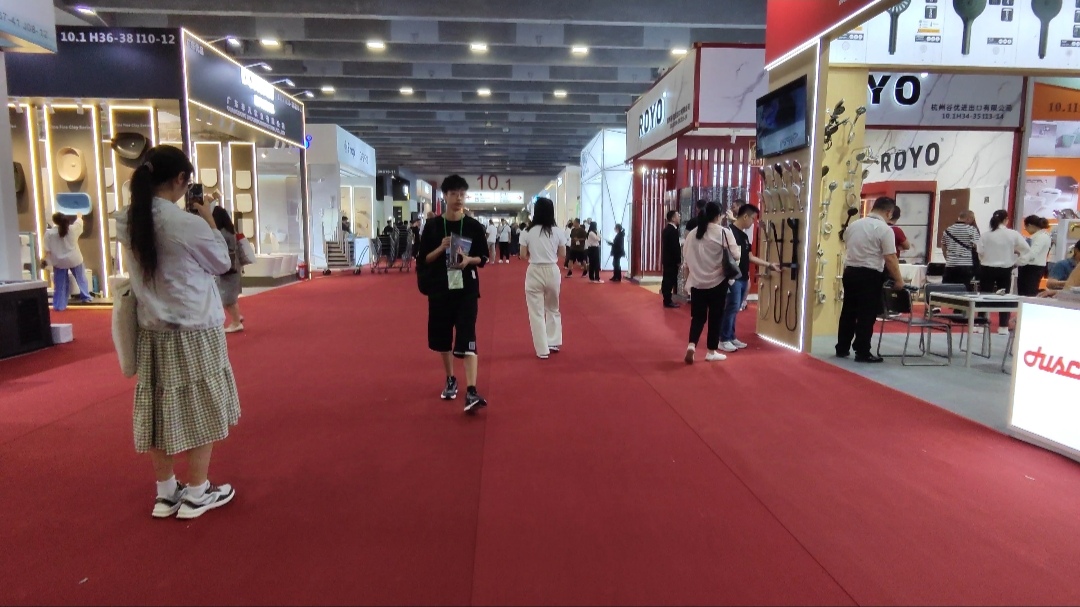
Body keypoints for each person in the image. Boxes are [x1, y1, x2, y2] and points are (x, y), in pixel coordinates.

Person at [113, 145, 240, 520]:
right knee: (202, 404)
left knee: (158, 407)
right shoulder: (184, 223)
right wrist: (210, 219)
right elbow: (221, 262)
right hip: (193, 326)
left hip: (152, 328)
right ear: (181, 179)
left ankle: (166, 492)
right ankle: (198, 492)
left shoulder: (127, 220)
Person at [416, 175, 489, 414]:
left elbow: (483, 258)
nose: (459, 198)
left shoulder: (474, 226)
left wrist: (468, 260)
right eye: (454, 194)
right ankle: (450, 379)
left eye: (462, 194)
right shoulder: (433, 226)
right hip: (440, 289)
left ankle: (472, 390)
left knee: (468, 335)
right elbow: (423, 259)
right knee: (443, 337)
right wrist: (441, 247)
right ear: (445, 196)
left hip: (467, 288)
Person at [836, 196, 906, 363]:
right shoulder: (884, 230)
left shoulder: (854, 225)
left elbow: (846, 244)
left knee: (848, 311)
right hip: (870, 274)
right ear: (889, 212)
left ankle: (842, 347)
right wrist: (899, 280)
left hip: (850, 272)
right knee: (866, 314)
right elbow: (890, 258)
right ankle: (862, 351)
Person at [682, 202, 740, 363]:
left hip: (697, 282)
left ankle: (691, 345)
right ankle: (711, 351)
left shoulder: (693, 233)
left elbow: (686, 257)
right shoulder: (723, 232)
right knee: (715, 317)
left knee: (697, 318)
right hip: (718, 282)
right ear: (718, 216)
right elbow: (735, 255)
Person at [719, 203, 780, 352]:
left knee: (735, 308)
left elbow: (750, 256)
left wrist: (769, 264)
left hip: (742, 277)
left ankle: (731, 336)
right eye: (752, 218)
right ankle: (723, 339)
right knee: (731, 307)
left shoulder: (745, 236)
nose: (753, 222)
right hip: (732, 277)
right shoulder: (728, 232)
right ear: (745, 216)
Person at [520, 198, 567, 359]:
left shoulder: (527, 231)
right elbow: (563, 254)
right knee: (553, 308)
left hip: (534, 270)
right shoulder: (558, 231)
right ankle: (553, 341)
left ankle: (542, 350)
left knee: (536, 312)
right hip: (552, 270)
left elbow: (522, 255)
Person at [976, 210, 1030, 334]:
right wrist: (1018, 262)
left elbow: (980, 252)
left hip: (987, 268)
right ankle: (1003, 326)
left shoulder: (985, 235)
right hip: (1005, 269)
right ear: (1006, 219)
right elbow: (1026, 249)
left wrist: (986, 259)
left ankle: (980, 324)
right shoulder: (1013, 234)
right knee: (1004, 296)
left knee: (984, 296)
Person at [43, 213, 92, 310]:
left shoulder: (49, 234)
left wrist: (44, 260)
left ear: (54, 221)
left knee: (60, 285)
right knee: (81, 278)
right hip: (75, 259)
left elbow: (47, 251)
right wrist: (79, 216)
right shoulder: (72, 229)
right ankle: (86, 297)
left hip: (59, 262)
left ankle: (59, 305)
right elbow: (79, 223)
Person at [212, 207, 244, 333]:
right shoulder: (231, 231)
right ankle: (237, 317)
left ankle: (236, 322)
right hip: (233, 266)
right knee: (229, 296)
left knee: (227, 298)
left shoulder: (221, 233)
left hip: (228, 267)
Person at [942, 210, 980, 288]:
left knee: (947, 289)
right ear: (969, 218)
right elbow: (978, 246)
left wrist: (947, 258)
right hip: (965, 265)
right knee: (963, 289)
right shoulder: (972, 230)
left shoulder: (948, 230)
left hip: (950, 264)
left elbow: (943, 246)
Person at [1017, 215, 1051, 296]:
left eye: (1026, 227)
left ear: (1030, 225)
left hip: (1033, 268)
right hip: (1029, 267)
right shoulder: (1039, 236)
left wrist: (1018, 262)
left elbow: (1033, 253)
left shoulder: (1042, 237)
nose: (1026, 230)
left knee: (1028, 292)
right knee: (1024, 292)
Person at [661, 209, 682, 308]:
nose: (679, 217)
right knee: (670, 280)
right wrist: (678, 260)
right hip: (671, 261)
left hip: (667, 260)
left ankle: (667, 299)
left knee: (667, 279)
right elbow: (675, 248)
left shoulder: (667, 229)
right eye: (678, 216)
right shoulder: (672, 230)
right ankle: (668, 300)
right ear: (673, 218)